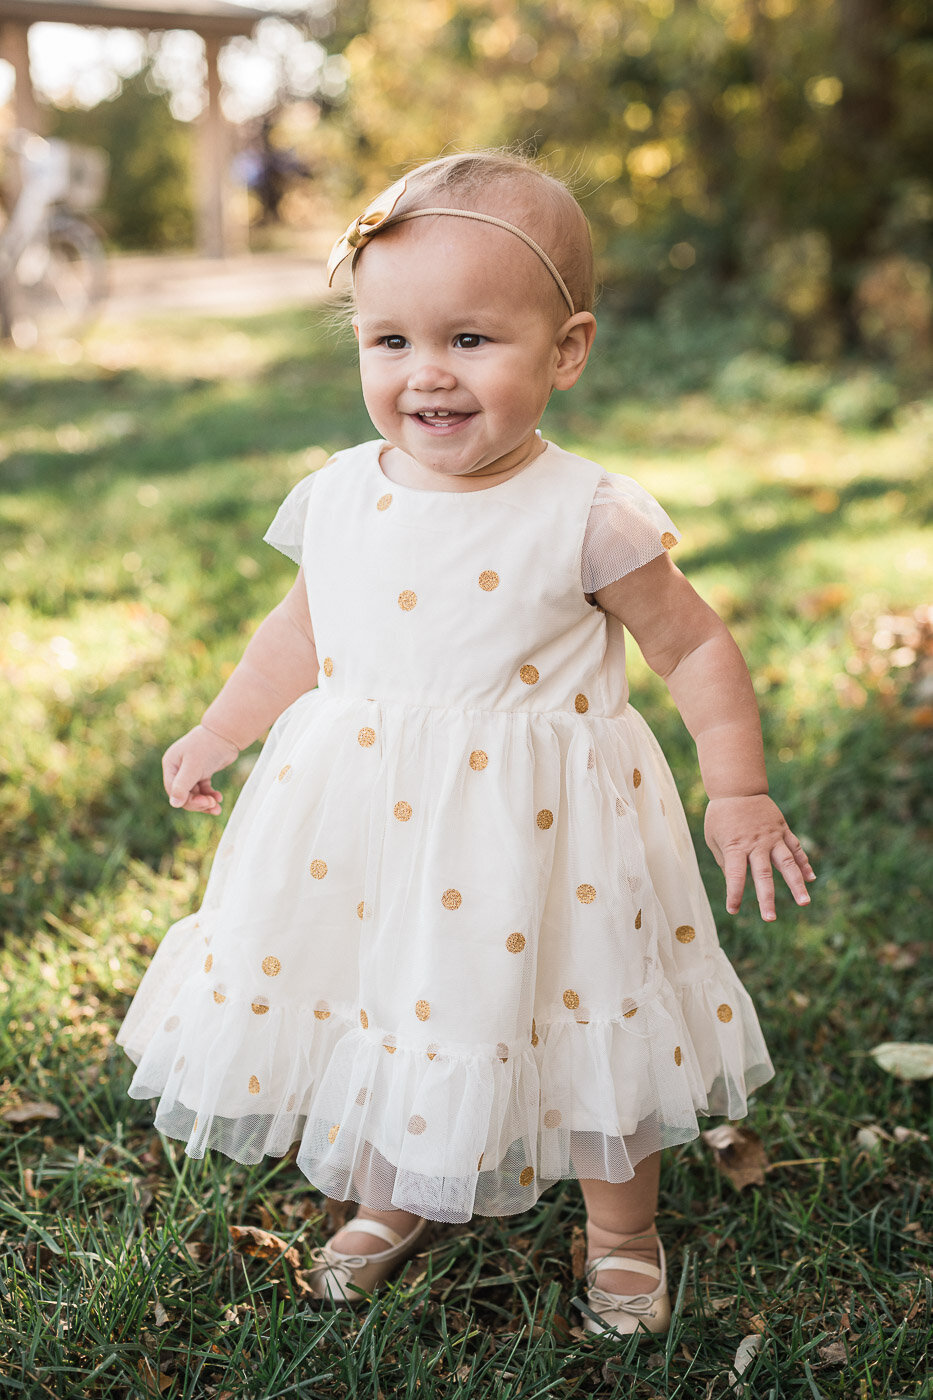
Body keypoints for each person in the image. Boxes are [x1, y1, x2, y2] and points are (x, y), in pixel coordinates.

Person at [115, 150, 815, 1338]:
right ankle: (397, 1191)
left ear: (567, 350)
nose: (426, 372)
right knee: (396, 990)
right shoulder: (342, 493)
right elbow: (299, 631)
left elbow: (695, 645)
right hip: (373, 826)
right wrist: (222, 725)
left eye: (470, 339)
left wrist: (737, 787)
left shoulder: (587, 513)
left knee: (588, 1009)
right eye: (389, 340)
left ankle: (622, 1229)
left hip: (548, 838)